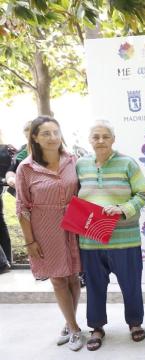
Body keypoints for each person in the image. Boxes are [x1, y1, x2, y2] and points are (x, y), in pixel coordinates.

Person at [76, 120, 145, 350]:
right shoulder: (80, 165)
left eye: (105, 136)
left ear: (113, 139)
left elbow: (143, 194)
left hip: (124, 238)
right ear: (89, 140)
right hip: (90, 240)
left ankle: (135, 323)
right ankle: (96, 328)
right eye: (96, 136)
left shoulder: (128, 163)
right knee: (95, 286)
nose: (100, 141)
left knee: (131, 285)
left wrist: (122, 210)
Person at [15, 116, 84, 351]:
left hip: (73, 224)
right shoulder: (25, 168)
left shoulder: (72, 160)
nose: (52, 137)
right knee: (58, 279)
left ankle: (69, 322)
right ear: (34, 137)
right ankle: (75, 329)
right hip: (45, 229)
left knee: (73, 277)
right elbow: (22, 208)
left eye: (55, 132)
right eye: (45, 133)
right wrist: (30, 241)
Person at [0, 128, 16, 272]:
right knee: (1, 224)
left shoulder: (4, 150)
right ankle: (6, 262)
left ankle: (3, 263)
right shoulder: (7, 150)